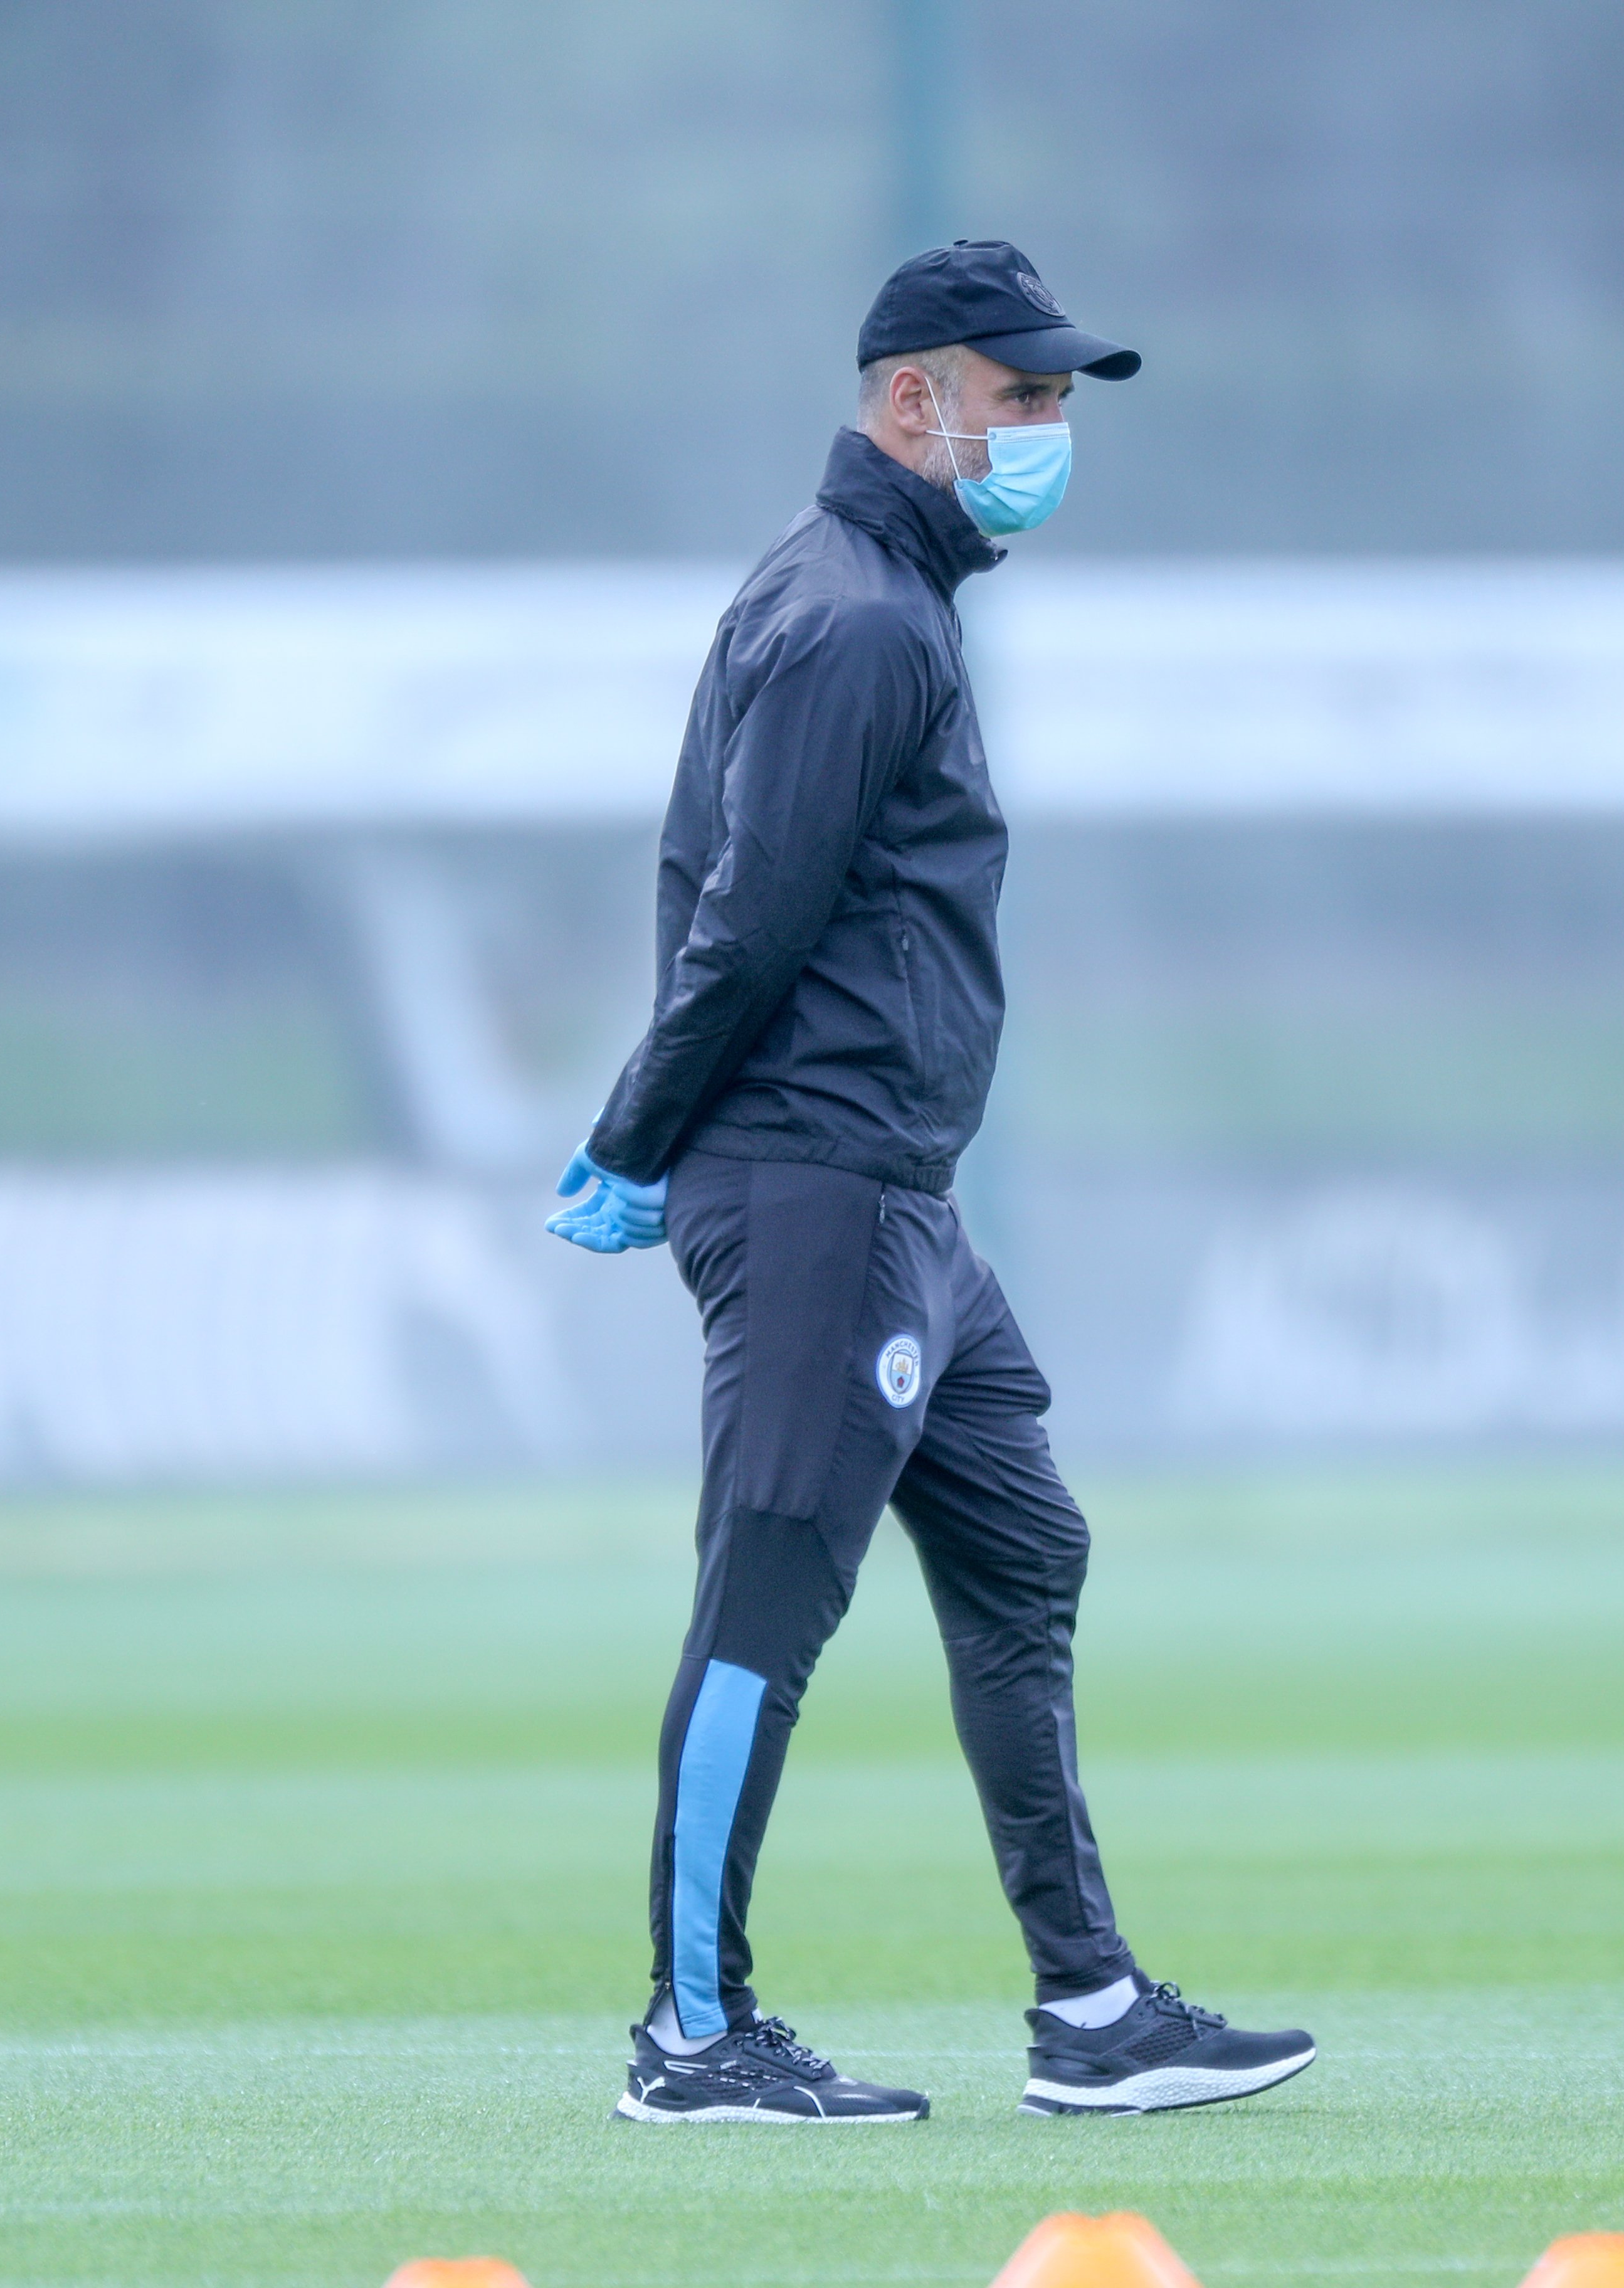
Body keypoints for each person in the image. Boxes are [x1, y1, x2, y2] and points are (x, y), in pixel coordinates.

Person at [547, 240, 1315, 2125]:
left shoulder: (877, 591)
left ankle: (1094, 2008)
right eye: (1024, 395)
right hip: (820, 1183)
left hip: (896, 1195)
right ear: (915, 403)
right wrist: (640, 1135)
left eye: (1059, 399)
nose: (1049, 431)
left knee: (1025, 1548)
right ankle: (692, 2037)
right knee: (768, 1597)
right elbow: (751, 920)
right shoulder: (866, 619)